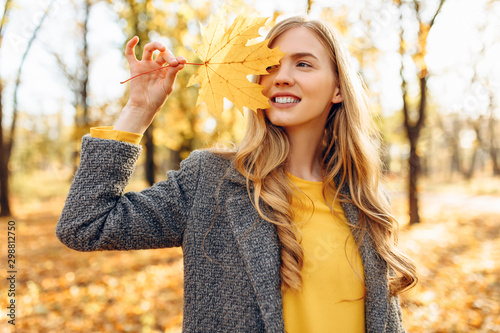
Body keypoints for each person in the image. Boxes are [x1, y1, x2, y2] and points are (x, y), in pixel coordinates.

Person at [56, 15, 417, 333]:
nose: (282, 77)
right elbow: (86, 223)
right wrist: (138, 110)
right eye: (270, 67)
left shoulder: (365, 200)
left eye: (303, 65)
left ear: (338, 88)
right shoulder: (212, 181)